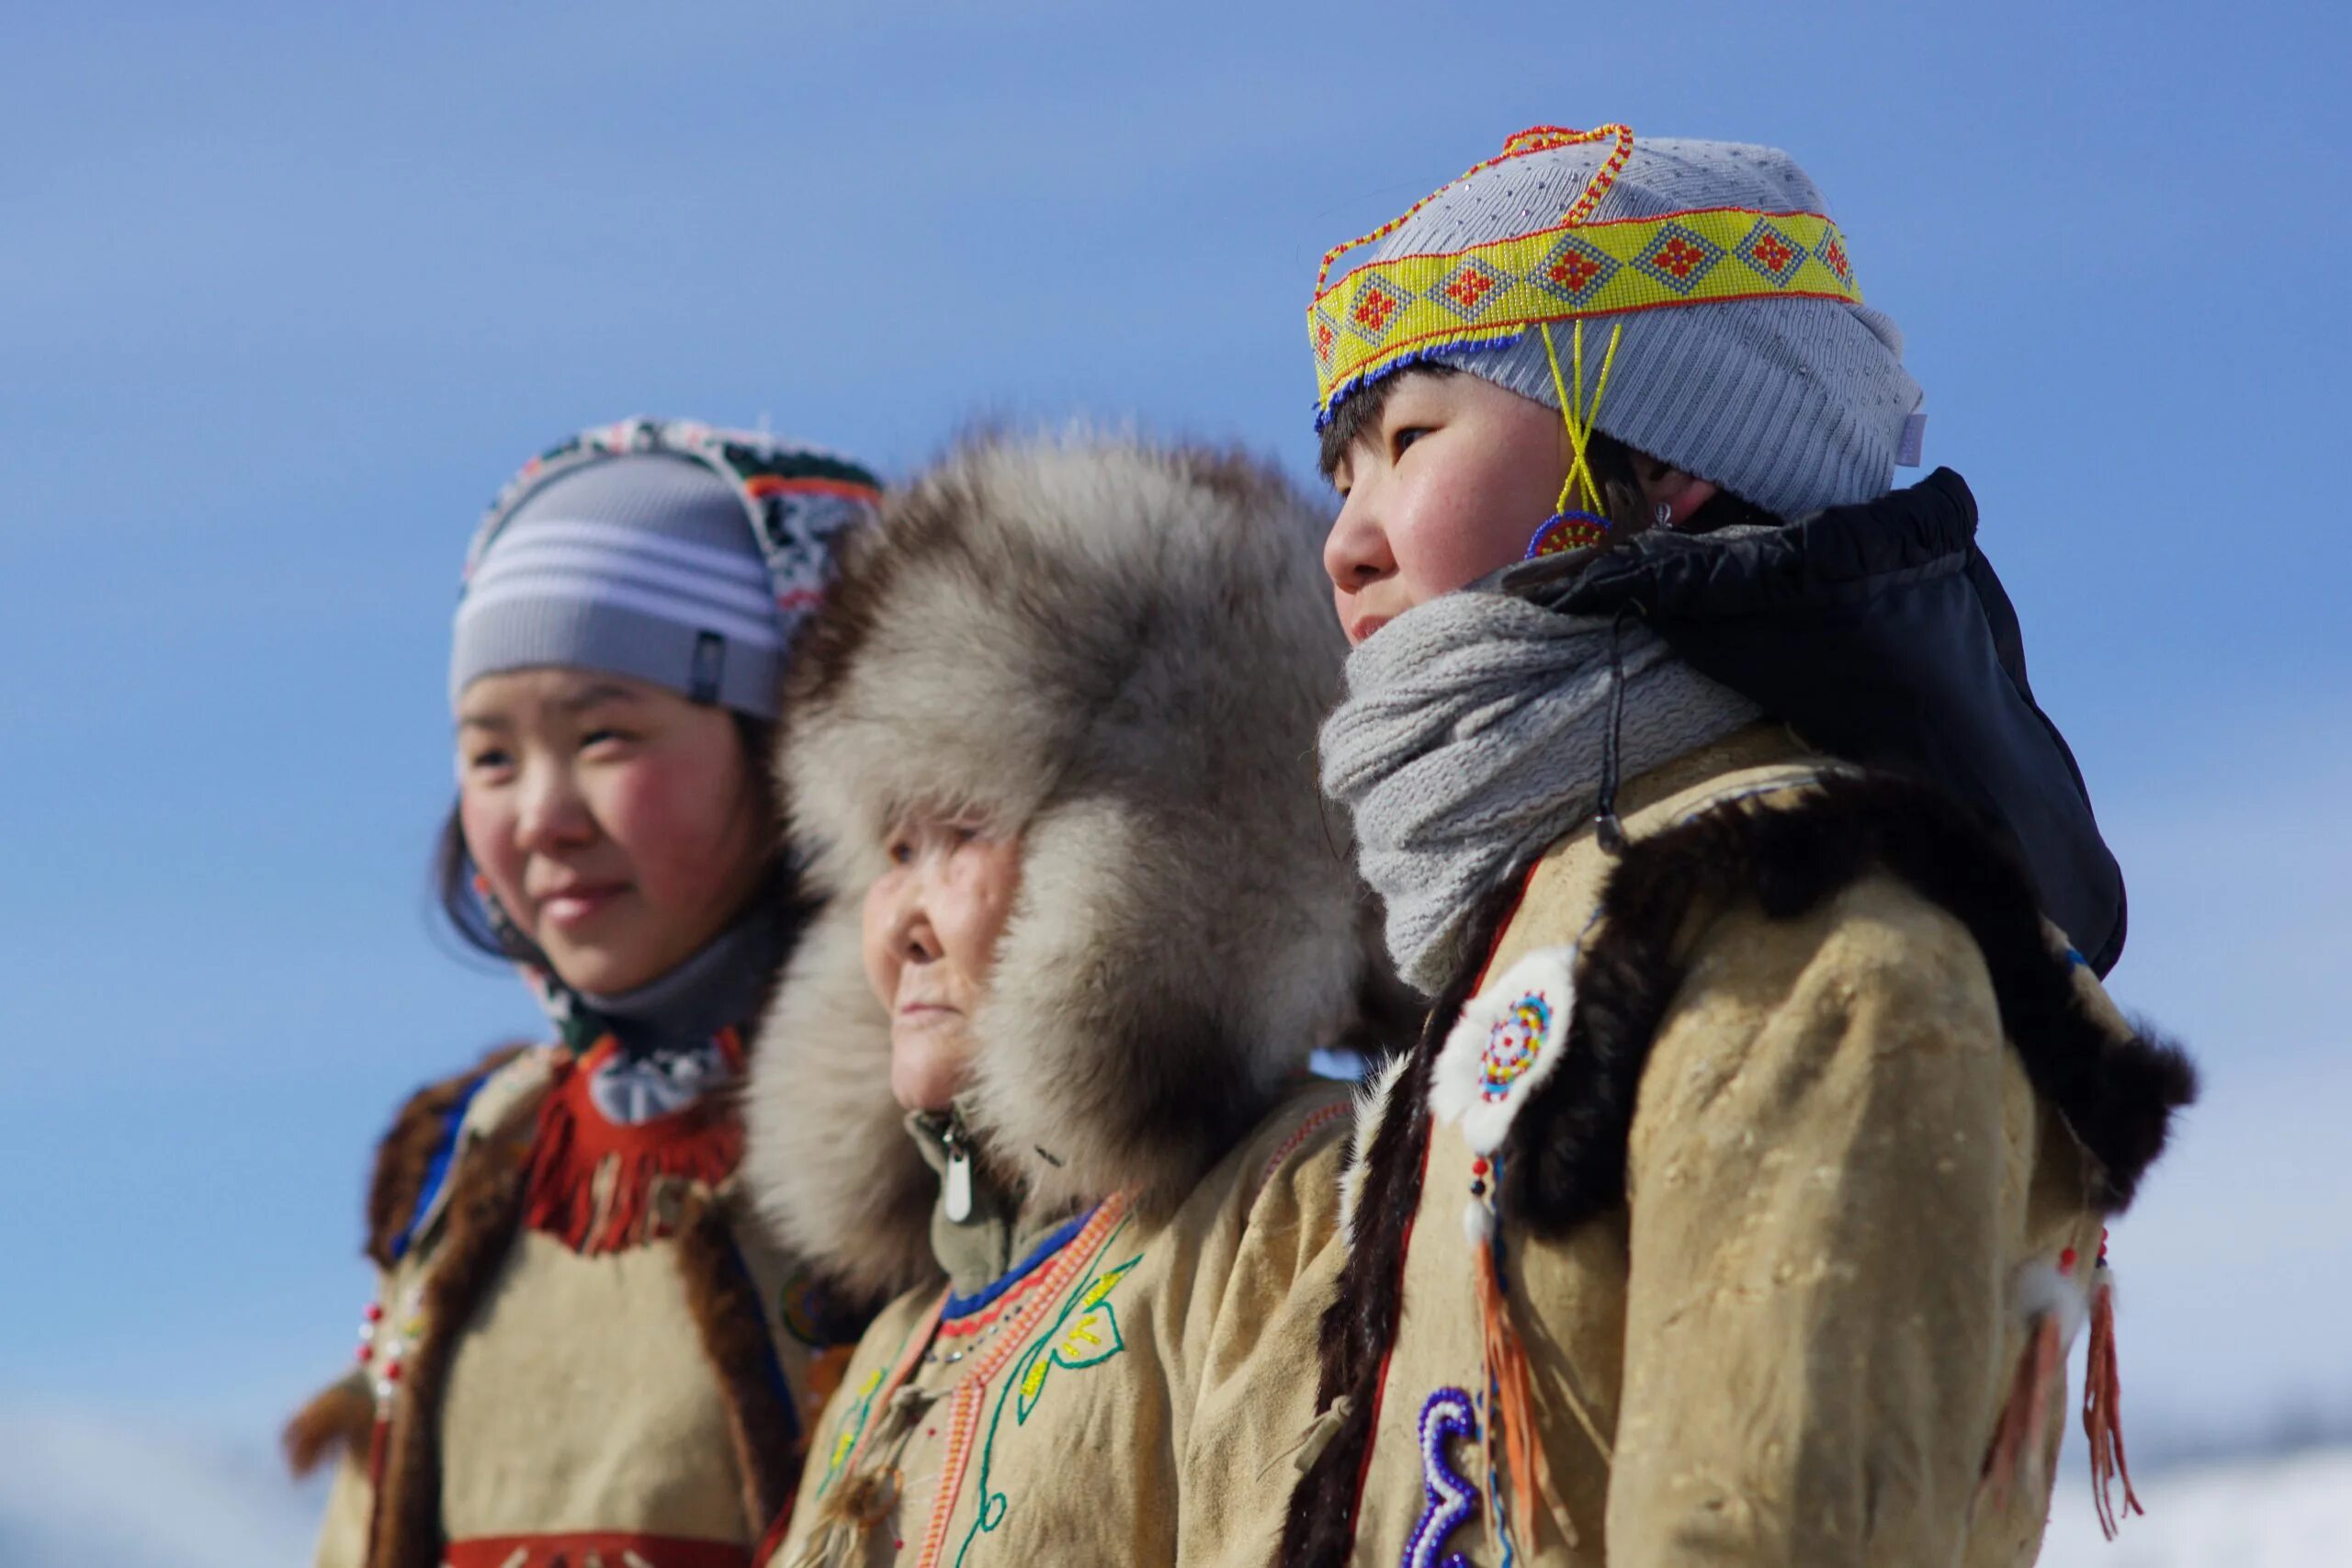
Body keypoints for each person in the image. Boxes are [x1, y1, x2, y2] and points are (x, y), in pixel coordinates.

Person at [1280, 125, 2198, 1567]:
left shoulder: (1807, 918)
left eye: (1410, 438)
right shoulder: (1522, 933)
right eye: (1341, 472)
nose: (1348, 540)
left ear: (1665, 460)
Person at [741, 433, 1410, 1568]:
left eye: (959, 833)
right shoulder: (896, 1347)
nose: (901, 916)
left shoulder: (1293, 1217)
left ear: (1158, 853)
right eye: (888, 850)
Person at [282, 417, 884, 1568]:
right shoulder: (475, 1163)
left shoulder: (924, 1151)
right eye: (491, 757)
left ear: (795, 748)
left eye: (606, 736)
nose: (540, 815)